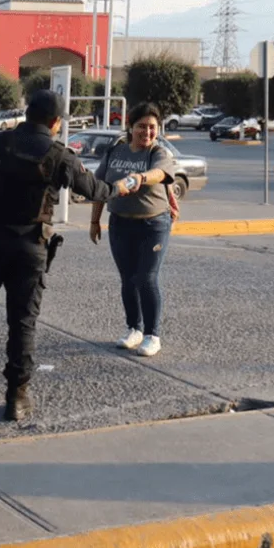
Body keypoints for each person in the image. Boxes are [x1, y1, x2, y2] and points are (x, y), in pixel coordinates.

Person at [0, 89, 136, 421]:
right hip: (30, 249)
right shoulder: (59, 154)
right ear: (56, 121)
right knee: (23, 323)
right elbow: (94, 190)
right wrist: (122, 186)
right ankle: (16, 398)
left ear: (26, 113)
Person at [89, 102, 181, 358]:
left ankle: (153, 334)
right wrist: (95, 221)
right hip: (120, 222)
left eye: (153, 127)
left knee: (146, 278)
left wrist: (139, 178)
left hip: (153, 224)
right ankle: (134, 329)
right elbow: (100, 186)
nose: (147, 132)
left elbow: (160, 173)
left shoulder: (158, 152)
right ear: (130, 127)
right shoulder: (116, 151)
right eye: (142, 126)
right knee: (128, 278)